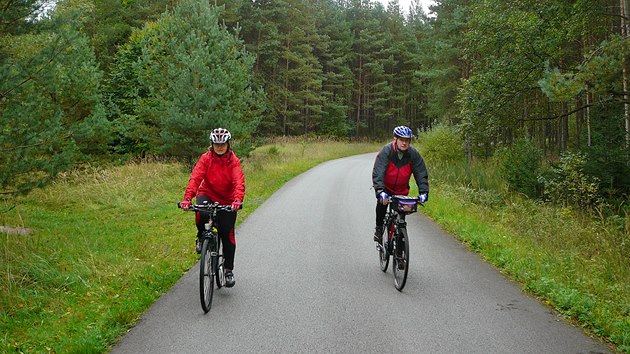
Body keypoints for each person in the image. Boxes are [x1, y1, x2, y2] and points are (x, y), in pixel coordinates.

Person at [180, 127, 245, 288]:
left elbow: (239, 181)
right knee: (200, 212)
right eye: (217, 144)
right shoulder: (206, 158)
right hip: (207, 193)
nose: (220, 146)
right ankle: (202, 236)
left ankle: (228, 270)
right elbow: (196, 177)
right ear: (212, 144)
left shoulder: (233, 161)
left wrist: (237, 200)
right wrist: (188, 198)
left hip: (228, 199)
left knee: (227, 235)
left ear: (228, 144)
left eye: (223, 143)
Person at [372, 125, 429, 243]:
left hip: (401, 191)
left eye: (407, 140)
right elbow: (379, 171)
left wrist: (424, 192)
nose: (404, 143)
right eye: (401, 140)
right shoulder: (386, 151)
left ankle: (399, 243)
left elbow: (421, 173)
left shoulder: (413, 154)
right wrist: (380, 190)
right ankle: (378, 229)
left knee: (401, 216)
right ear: (395, 139)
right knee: (382, 205)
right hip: (385, 189)